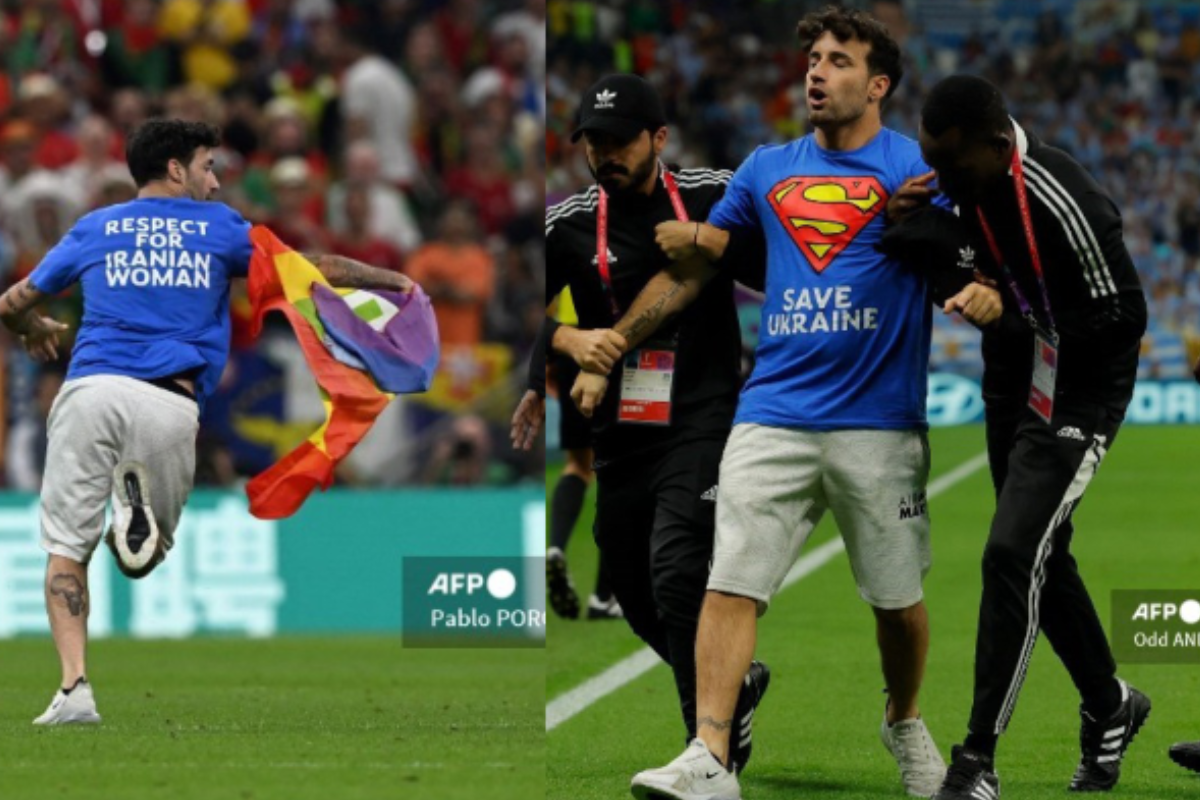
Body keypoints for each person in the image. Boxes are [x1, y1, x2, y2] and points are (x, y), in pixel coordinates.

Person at [621, 9, 1002, 799]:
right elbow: (706, 265)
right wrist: (617, 335)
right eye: (812, 60)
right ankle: (711, 756)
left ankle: (903, 721)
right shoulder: (763, 167)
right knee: (728, 582)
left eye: (838, 61)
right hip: (771, 412)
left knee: (897, 605)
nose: (817, 73)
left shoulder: (915, 168)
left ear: (879, 84)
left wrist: (970, 277)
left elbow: (972, 258)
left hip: (879, 422)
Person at [2, 119, 413, 726]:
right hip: (169, 403)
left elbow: (12, 303)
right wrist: (390, 279)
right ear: (176, 169)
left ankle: (74, 688)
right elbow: (306, 267)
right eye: (208, 166)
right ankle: (132, 515)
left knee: (66, 548)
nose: (216, 183)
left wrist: (33, 328)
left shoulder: (94, 227)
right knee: (144, 557)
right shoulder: (219, 229)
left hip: (88, 390)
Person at [891, 74, 1150, 799]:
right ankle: (1110, 705)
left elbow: (1126, 318)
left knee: (1010, 551)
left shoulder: (1067, 200)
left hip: (1080, 388)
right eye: (930, 161)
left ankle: (977, 761)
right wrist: (908, 209)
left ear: (999, 144)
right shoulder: (965, 179)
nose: (940, 178)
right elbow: (923, 234)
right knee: (1038, 549)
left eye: (950, 165)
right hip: (1013, 383)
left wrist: (1015, 307)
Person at [546, 72, 770, 775]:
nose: (603, 154)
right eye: (593, 141)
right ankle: (734, 683)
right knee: (631, 583)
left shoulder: (712, 193)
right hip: (619, 429)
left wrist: (710, 239)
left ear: (658, 139)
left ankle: (709, 754)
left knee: (678, 572)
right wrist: (569, 341)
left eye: (619, 142)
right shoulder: (567, 222)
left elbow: (774, 266)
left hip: (703, 413)